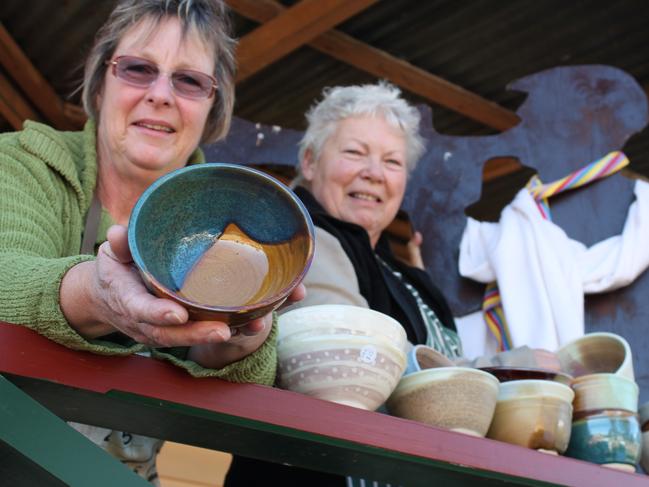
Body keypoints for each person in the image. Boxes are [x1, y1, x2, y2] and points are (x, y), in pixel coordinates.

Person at [0, 1, 302, 484]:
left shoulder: (233, 223)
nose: (161, 94)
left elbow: (242, 401)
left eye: (189, 81)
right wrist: (91, 294)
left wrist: (235, 347)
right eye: (138, 69)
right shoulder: (25, 162)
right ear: (101, 84)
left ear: (212, 107)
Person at [224, 82, 559, 487]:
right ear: (310, 162)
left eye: (392, 162)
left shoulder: (403, 274)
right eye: (354, 152)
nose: (374, 173)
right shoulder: (298, 238)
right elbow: (350, 346)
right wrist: (511, 370)